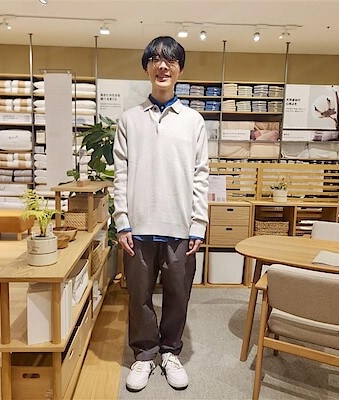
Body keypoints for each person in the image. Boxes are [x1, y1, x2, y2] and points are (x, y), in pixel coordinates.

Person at [113, 36, 209, 392]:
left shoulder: (193, 121)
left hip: (180, 225)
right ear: (147, 68)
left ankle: (170, 352)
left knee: (178, 294)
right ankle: (143, 354)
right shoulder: (129, 119)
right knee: (138, 296)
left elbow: (201, 174)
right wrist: (122, 220)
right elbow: (120, 173)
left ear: (179, 69)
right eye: (155, 59)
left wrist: (198, 224)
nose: (162, 65)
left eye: (170, 60)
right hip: (138, 226)